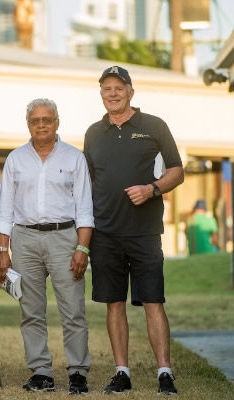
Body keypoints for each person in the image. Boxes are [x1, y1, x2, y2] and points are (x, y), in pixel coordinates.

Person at [83, 66, 184, 395]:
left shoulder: (154, 126)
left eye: (119, 87)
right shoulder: (93, 133)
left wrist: (152, 189)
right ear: (101, 93)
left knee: (153, 301)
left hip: (144, 232)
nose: (113, 93)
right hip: (106, 233)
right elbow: (91, 181)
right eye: (106, 88)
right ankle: (122, 372)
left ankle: (164, 373)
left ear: (131, 91)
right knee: (114, 303)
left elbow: (177, 171)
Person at [0, 98, 94, 395]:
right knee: (31, 310)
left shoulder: (75, 158)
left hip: (65, 239)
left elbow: (85, 209)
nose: (41, 125)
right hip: (24, 240)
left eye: (46, 120)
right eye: (35, 120)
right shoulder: (15, 159)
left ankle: (77, 372)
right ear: (28, 124)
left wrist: (82, 249)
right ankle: (41, 372)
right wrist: (2, 252)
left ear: (57, 123)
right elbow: (5, 211)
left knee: (73, 309)